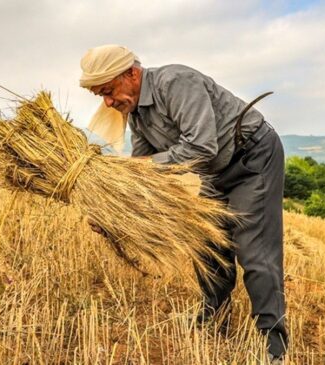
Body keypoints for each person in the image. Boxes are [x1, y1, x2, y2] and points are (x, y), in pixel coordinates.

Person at [80, 45, 288, 362]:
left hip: (251, 158)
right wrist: (113, 208)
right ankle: (213, 317)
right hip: (214, 171)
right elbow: (144, 172)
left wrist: (145, 167)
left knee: (255, 251)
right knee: (207, 245)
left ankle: (273, 344)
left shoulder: (176, 83)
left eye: (109, 91)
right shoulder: (136, 114)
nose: (108, 102)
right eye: (101, 96)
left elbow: (201, 145)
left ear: (131, 74)